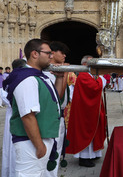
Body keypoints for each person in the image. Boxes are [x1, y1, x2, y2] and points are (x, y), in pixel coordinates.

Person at [3, 39, 63, 176]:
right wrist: (39, 146)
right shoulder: (27, 79)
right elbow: (28, 116)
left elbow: (55, 102)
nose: (51, 57)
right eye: (48, 53)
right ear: (35, 54)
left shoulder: (39, 77)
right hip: (31, 142)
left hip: (42, 138)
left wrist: (59, 78)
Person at [66, 55, 107, 167]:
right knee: (86, 131)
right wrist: (102, 79)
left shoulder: (90, 75)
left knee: (94, 130)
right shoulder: (84, 75)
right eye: (91, 63)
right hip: (85, 112)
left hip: (91, 110)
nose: (94, 65)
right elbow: (94, 88)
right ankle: (84, 158)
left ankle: (93, 154)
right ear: (84, 64)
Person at [44, 41, 71, 177]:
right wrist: (63, 72)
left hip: (59, 118)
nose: (65, 55)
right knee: (51, 153)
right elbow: (58, 96)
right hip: (51, 119)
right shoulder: (48, 72)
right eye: (62, 52)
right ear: (52, 53)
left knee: (57, 151)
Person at [1, 59, 26, 177]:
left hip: (12, 115)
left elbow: (4, 96)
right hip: (18, 116)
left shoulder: (8, 80)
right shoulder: (21, 79)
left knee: (11, 147)